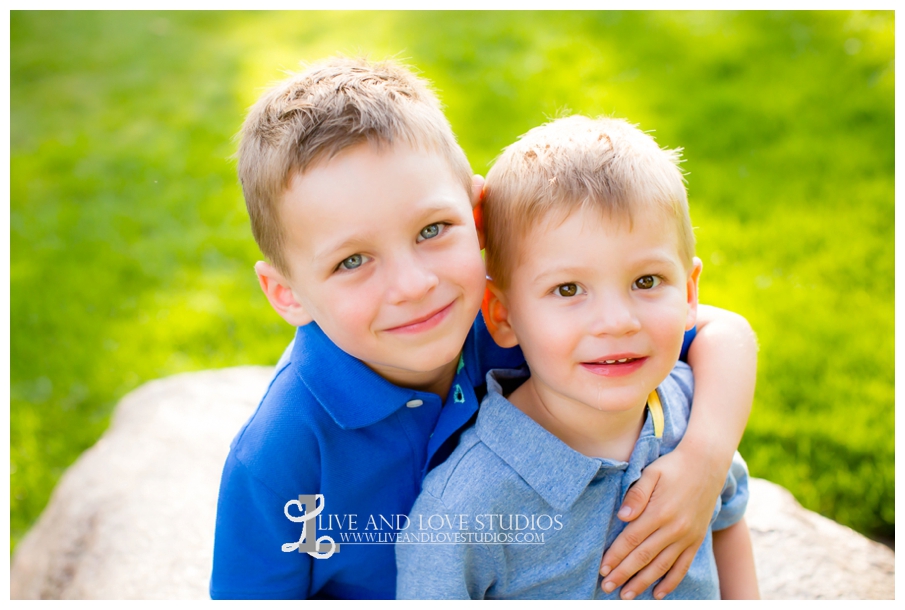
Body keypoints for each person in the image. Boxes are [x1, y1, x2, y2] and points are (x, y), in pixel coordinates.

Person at [210, 57, 758, 600]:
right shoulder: (278, 452)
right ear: (287, 294)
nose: (413, 284)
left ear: (476, 216)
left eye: (432, 229)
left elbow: (721, 333)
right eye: (352, 261)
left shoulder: (515, 322)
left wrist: (705, 462)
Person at [396, 115, 760, 599]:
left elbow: (726, 517)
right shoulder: (467, 506)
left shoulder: (692, 410)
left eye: (646, 281)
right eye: (568, 289)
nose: (617, 321)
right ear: (502, 316)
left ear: (690, 291)